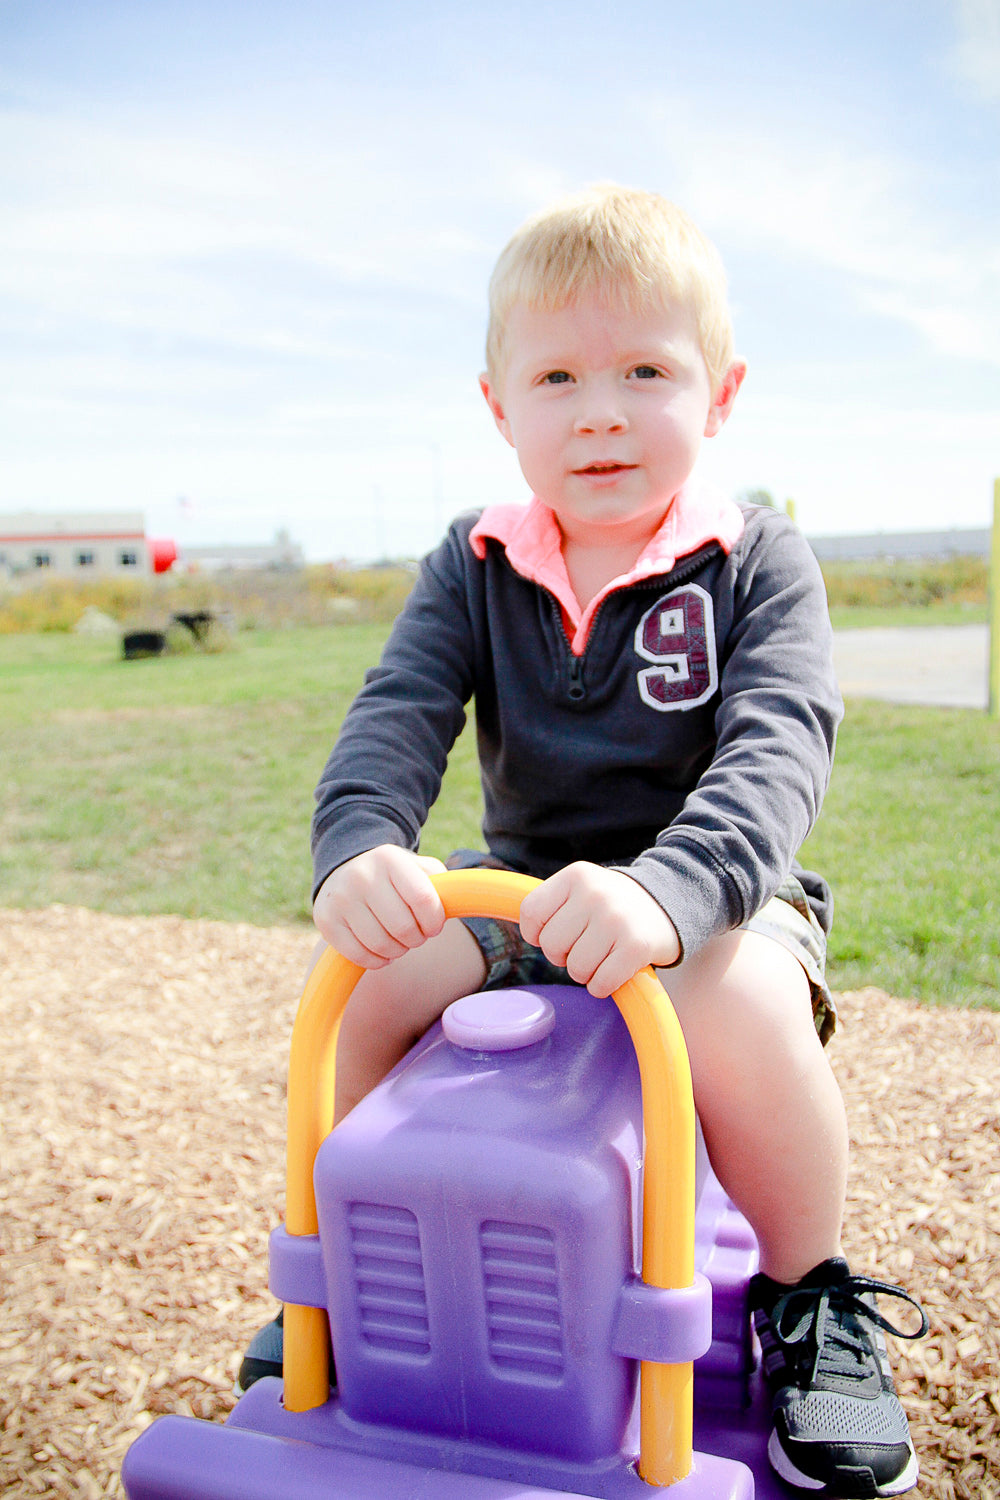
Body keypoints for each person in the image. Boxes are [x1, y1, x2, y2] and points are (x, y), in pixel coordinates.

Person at [239, 184, 927, 1497]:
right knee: (361, 984)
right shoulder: (473, 561)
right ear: (500, 407)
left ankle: (806, 1300)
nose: (600, 410)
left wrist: (671, 895)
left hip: (713, 899)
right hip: (522, 898)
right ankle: (332, 1271)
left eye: (645, 371)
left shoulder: (756, 560)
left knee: (741, 1004)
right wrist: (363, 845)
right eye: (557, 376)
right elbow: (397, 715)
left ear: (720, 395)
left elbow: (778, 751)